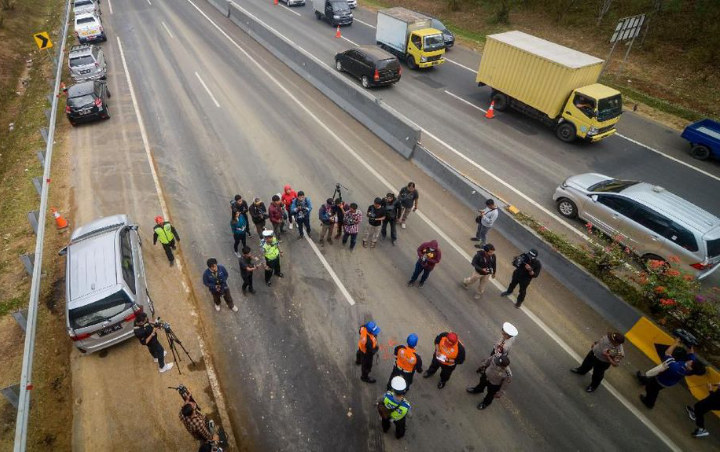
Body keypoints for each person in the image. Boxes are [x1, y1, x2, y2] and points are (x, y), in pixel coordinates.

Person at [637, 339, 697, 409]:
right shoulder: (689, 369)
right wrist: (690, 346)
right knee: (651, 380)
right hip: (668, 381)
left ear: (690, 368)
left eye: (691, 363)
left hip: (661, 380)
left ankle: (649, 403)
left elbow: (667, 353)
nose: (691, 361)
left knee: (651, 389)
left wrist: (675, 343)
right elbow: (691, 354)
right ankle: (643, 380)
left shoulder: (675, 367)